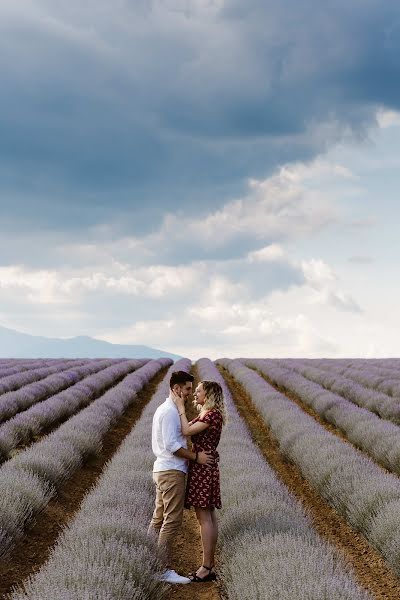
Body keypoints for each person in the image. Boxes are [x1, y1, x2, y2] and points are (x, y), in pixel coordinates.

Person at [148, 370, 215, 585]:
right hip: (171, 471)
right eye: (187, 389)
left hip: (163, 469)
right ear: (176, 388)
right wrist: (196, 457)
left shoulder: (165, 409)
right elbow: (172, 446)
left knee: (158, 518)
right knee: (172, 520)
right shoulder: (169, 411)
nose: (189, 394)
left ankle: (148, 561)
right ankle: (161, 568)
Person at [173, 379, 226, 583]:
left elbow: (186, 431)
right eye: (194, 391)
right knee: (208, 517)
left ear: (209, 395)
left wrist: (180, 407)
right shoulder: (207, 414)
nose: (195, 394)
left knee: (205, 518)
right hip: (203, 467)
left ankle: (206, 567)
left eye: (198, 391)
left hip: (204, 469)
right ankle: (209, 565)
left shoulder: (211, 415)